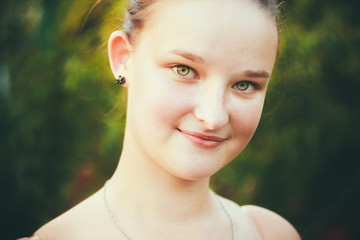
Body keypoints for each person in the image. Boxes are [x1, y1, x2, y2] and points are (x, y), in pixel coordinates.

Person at [20, 0, 301, 239]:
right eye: (184, 69)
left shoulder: (269, 233)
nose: (213, 117)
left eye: (245, 85)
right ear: (123, 59)